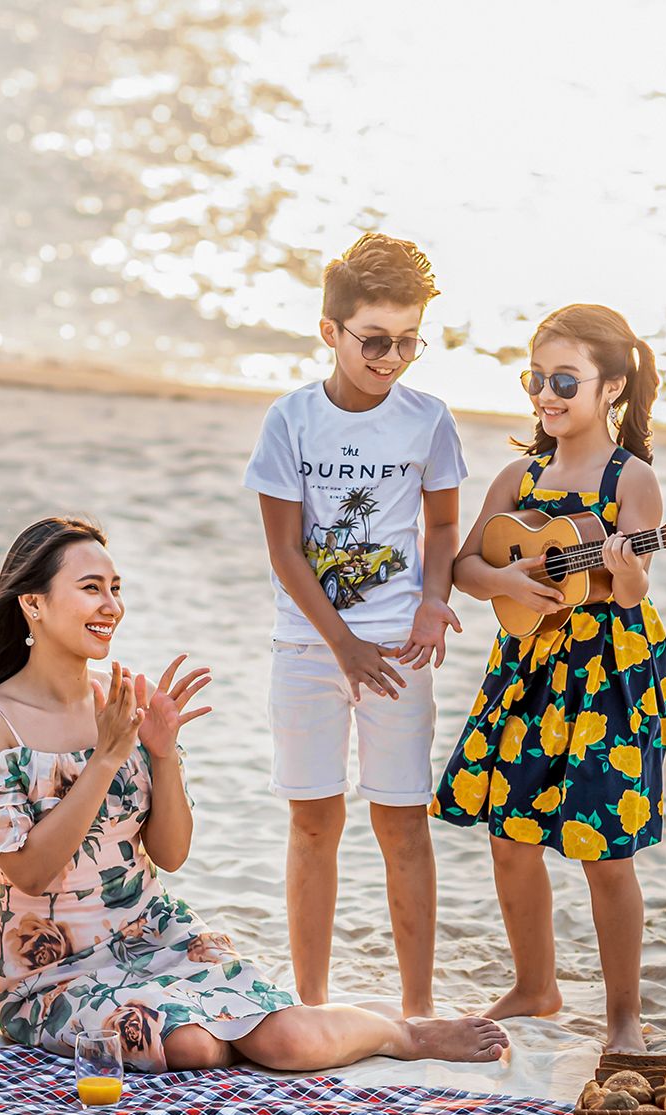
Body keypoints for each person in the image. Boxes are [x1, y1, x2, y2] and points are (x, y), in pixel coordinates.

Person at [0, 517, 508, 1073]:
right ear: (33, 604)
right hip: (51, 972)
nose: (112, 605)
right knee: (192, 1047)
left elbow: (171, 854)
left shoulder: (125, 696)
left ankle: (399, 1032)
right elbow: (29, 873)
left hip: (153, 934)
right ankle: (274, 1030)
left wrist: (162, 754)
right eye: (91, 589)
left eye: (116, 588)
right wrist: (107, 758)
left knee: (285, 1041)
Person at [241, 232, 470, 1018]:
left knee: (403, 819)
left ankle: (417, 1007)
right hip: (308, 647)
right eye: (376, 340)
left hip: (402, 648)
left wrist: (434, 600)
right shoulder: (291, 420)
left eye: (409, 341)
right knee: (314, 819)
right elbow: (283, 545)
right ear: (330, 331)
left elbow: (441, 531)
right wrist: (343, 645)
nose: (392, 357)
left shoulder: (428, 421)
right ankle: (311, 1002)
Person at [432, 304, 666, 1054]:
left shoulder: (632, 481)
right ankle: (536, 984)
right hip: (531, 664)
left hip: (607, 674)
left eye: (564, 379)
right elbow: (465, 566)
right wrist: (509, 575)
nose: (546, 393)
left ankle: (624, 1019)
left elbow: (630, 593)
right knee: (511, 833)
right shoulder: (519, 475)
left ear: (612, 387)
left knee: (604, 848)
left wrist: (625, 569)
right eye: (536, 376)